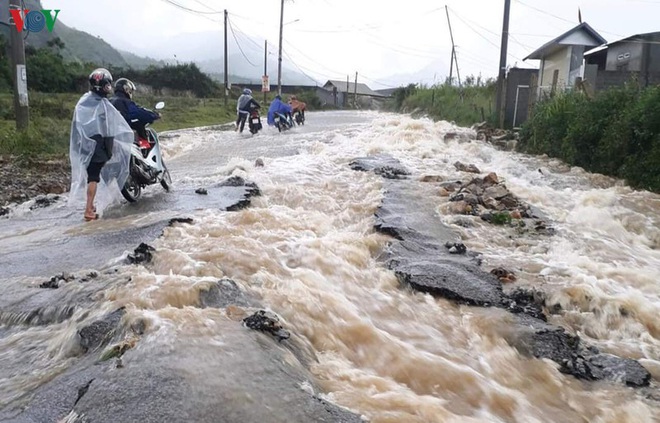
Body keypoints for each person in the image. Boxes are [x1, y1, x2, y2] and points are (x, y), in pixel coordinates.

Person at [69, 68, 134, 221]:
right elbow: (109, 128)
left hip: (83, 144)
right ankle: (88, 210)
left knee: (91, 175)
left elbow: (77, 125)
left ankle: (90, 207)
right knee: (94, 178)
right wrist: (108, 148)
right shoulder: (104, 105)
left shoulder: (83, 101)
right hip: (97, 145)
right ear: (106, 86)